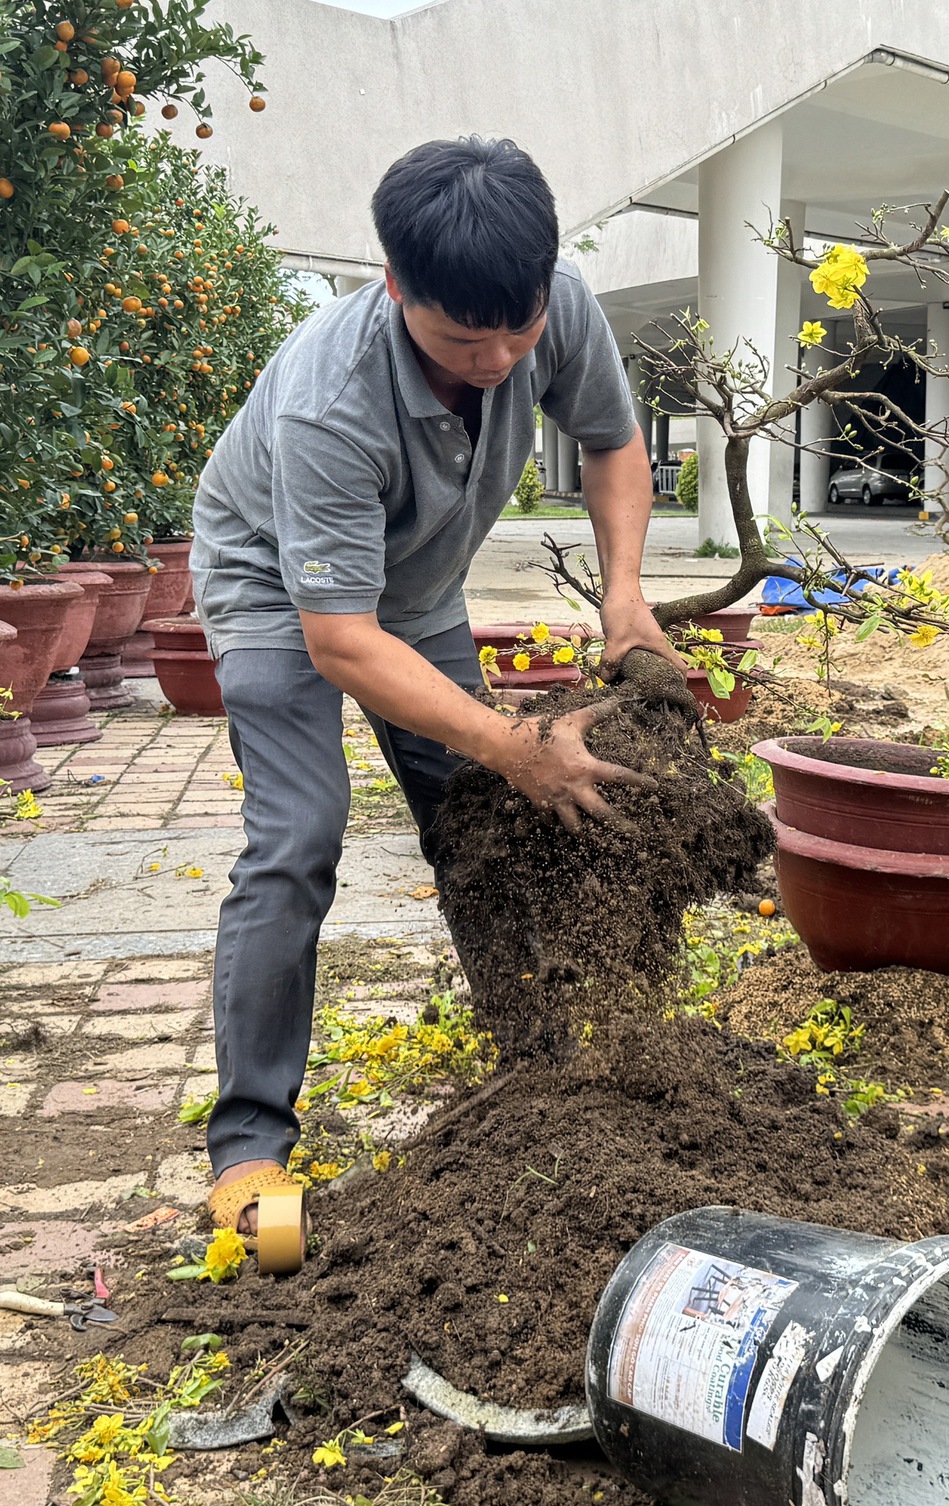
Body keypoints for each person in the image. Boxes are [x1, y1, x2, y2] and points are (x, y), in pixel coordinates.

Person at [191, 137, 683, 1268]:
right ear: (395, 283)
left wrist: (622, 597)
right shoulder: (330, 400)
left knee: (482, 813)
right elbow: (340, 642)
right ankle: (248, 1147)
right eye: (469, 338)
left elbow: (610, 444)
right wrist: (516, 742)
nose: (505, 357)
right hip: (280, 587)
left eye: (522, 329)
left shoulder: (547, 303)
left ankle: (542, 1054)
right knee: (298, 837)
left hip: (409, 588)